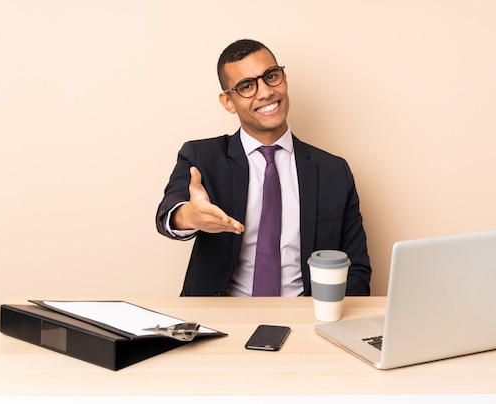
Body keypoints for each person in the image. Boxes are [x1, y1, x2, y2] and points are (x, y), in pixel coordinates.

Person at [156, 39, 371, 297]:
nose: (265, 92)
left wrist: (323, 318)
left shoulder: (334, 172)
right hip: (223, 318)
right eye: (246, 86)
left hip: (305, 319)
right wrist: (190, 216)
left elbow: (357, 270)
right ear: (228, 101)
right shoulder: (202, 157)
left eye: (271, 76)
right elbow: (168, 212)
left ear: (284, 78)